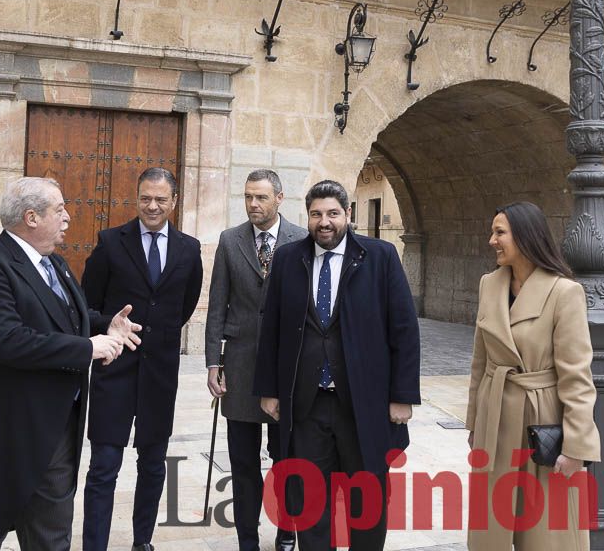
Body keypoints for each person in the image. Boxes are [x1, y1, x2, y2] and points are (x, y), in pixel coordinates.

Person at [0, 177, 141, 550]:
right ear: (32, 217)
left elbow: (67, 317)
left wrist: (105, 325)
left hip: (58, 426)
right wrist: (87, 348)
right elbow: (8, 340)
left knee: (51, 536)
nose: (68, 217)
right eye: (59, 209)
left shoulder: (55, 263)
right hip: (7, 429)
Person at [254, 179, 421, 551]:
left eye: (332, 213)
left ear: (348, 213)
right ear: (307, 217)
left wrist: (402, 396)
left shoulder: (380, 257)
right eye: (316, 214)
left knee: (367, 500)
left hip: (363, 404)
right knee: (312, 502)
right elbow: (272, 327)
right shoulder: (288, 259)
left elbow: (404, 329)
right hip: (307, 404)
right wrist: (269, 390)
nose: (324, 222)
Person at [466, 201, 601, 551]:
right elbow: (480, 362)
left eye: (499, 233)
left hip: (542, 424)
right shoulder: (488, 285)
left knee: (546, 532)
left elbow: (577, 377)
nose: (491, 241)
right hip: (495, 421)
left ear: (525, 236)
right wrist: (475, 425)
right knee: (490, 528)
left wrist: (576, 447)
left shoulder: (564, 292)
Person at [81, 167, 204, 551]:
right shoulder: (110, 243)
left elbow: (184, 306)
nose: (152, 206)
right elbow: (86, 307)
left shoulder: (189, 249)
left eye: (160, 199)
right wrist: (109, 325)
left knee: (152, 466)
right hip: (113, 371)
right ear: (136, 198)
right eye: (145, 198)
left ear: (174, 201)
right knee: (104, 468)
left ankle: (142, 542)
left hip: (160, 376)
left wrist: (157, 335)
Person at [205, 169, 304, 551]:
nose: (253, 204)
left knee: (286, 459)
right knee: (243, 462)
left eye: (261, 197)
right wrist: (213, 363)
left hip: (286, 369)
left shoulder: (301, 239)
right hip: (241, 367)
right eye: (248, 197)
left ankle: (286, 530)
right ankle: (247, 538)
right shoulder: (230, 241)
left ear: (279, 198)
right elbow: (217, 305)